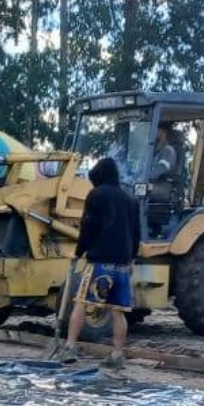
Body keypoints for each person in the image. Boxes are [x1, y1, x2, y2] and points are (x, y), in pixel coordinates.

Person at [60, 157, 141, 369]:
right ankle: (117, 354)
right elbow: (136, 234)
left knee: (81, 303)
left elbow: (88, 227)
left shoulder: (96, 195)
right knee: (117, 311)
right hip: (122, 265)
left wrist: (78, 252)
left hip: (99, 264)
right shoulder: (131, 200)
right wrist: (132, 259)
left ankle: (69, 347)